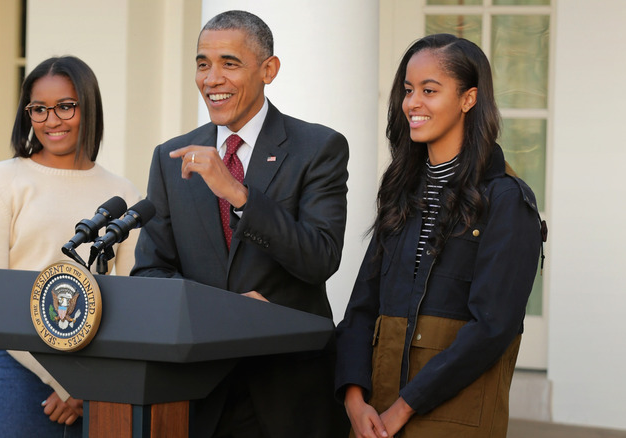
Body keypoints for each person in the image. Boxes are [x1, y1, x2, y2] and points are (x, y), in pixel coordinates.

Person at [131, 10, 351, 438]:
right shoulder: (171, 155)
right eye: (202, 63)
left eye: (229, 63)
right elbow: (150, 272)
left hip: (288, 392)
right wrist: (222, 313)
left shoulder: (319, 147)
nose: (211, 78)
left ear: (268, 70)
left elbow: (320, 258)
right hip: (199, 393)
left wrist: (240, 196)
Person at [335, 34, 545, 438]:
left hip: (452, 416)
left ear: (469, 99)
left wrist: (404, 407)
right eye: (409, 90)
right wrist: (354, 399)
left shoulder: (507, 200)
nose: (413, 103)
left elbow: (493, 326)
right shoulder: (401, 193)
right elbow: (362, 308)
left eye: (430, 91)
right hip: (373, 416)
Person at [0, 56, 142, 437]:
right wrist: (66, 384)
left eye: (65, 106)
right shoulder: (2, 180)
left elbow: (132, 297)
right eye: (39, 109)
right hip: (18, 368)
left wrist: (90, 383)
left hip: (99, 375)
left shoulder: (122, 193)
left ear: (89, 107)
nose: (51, 120)